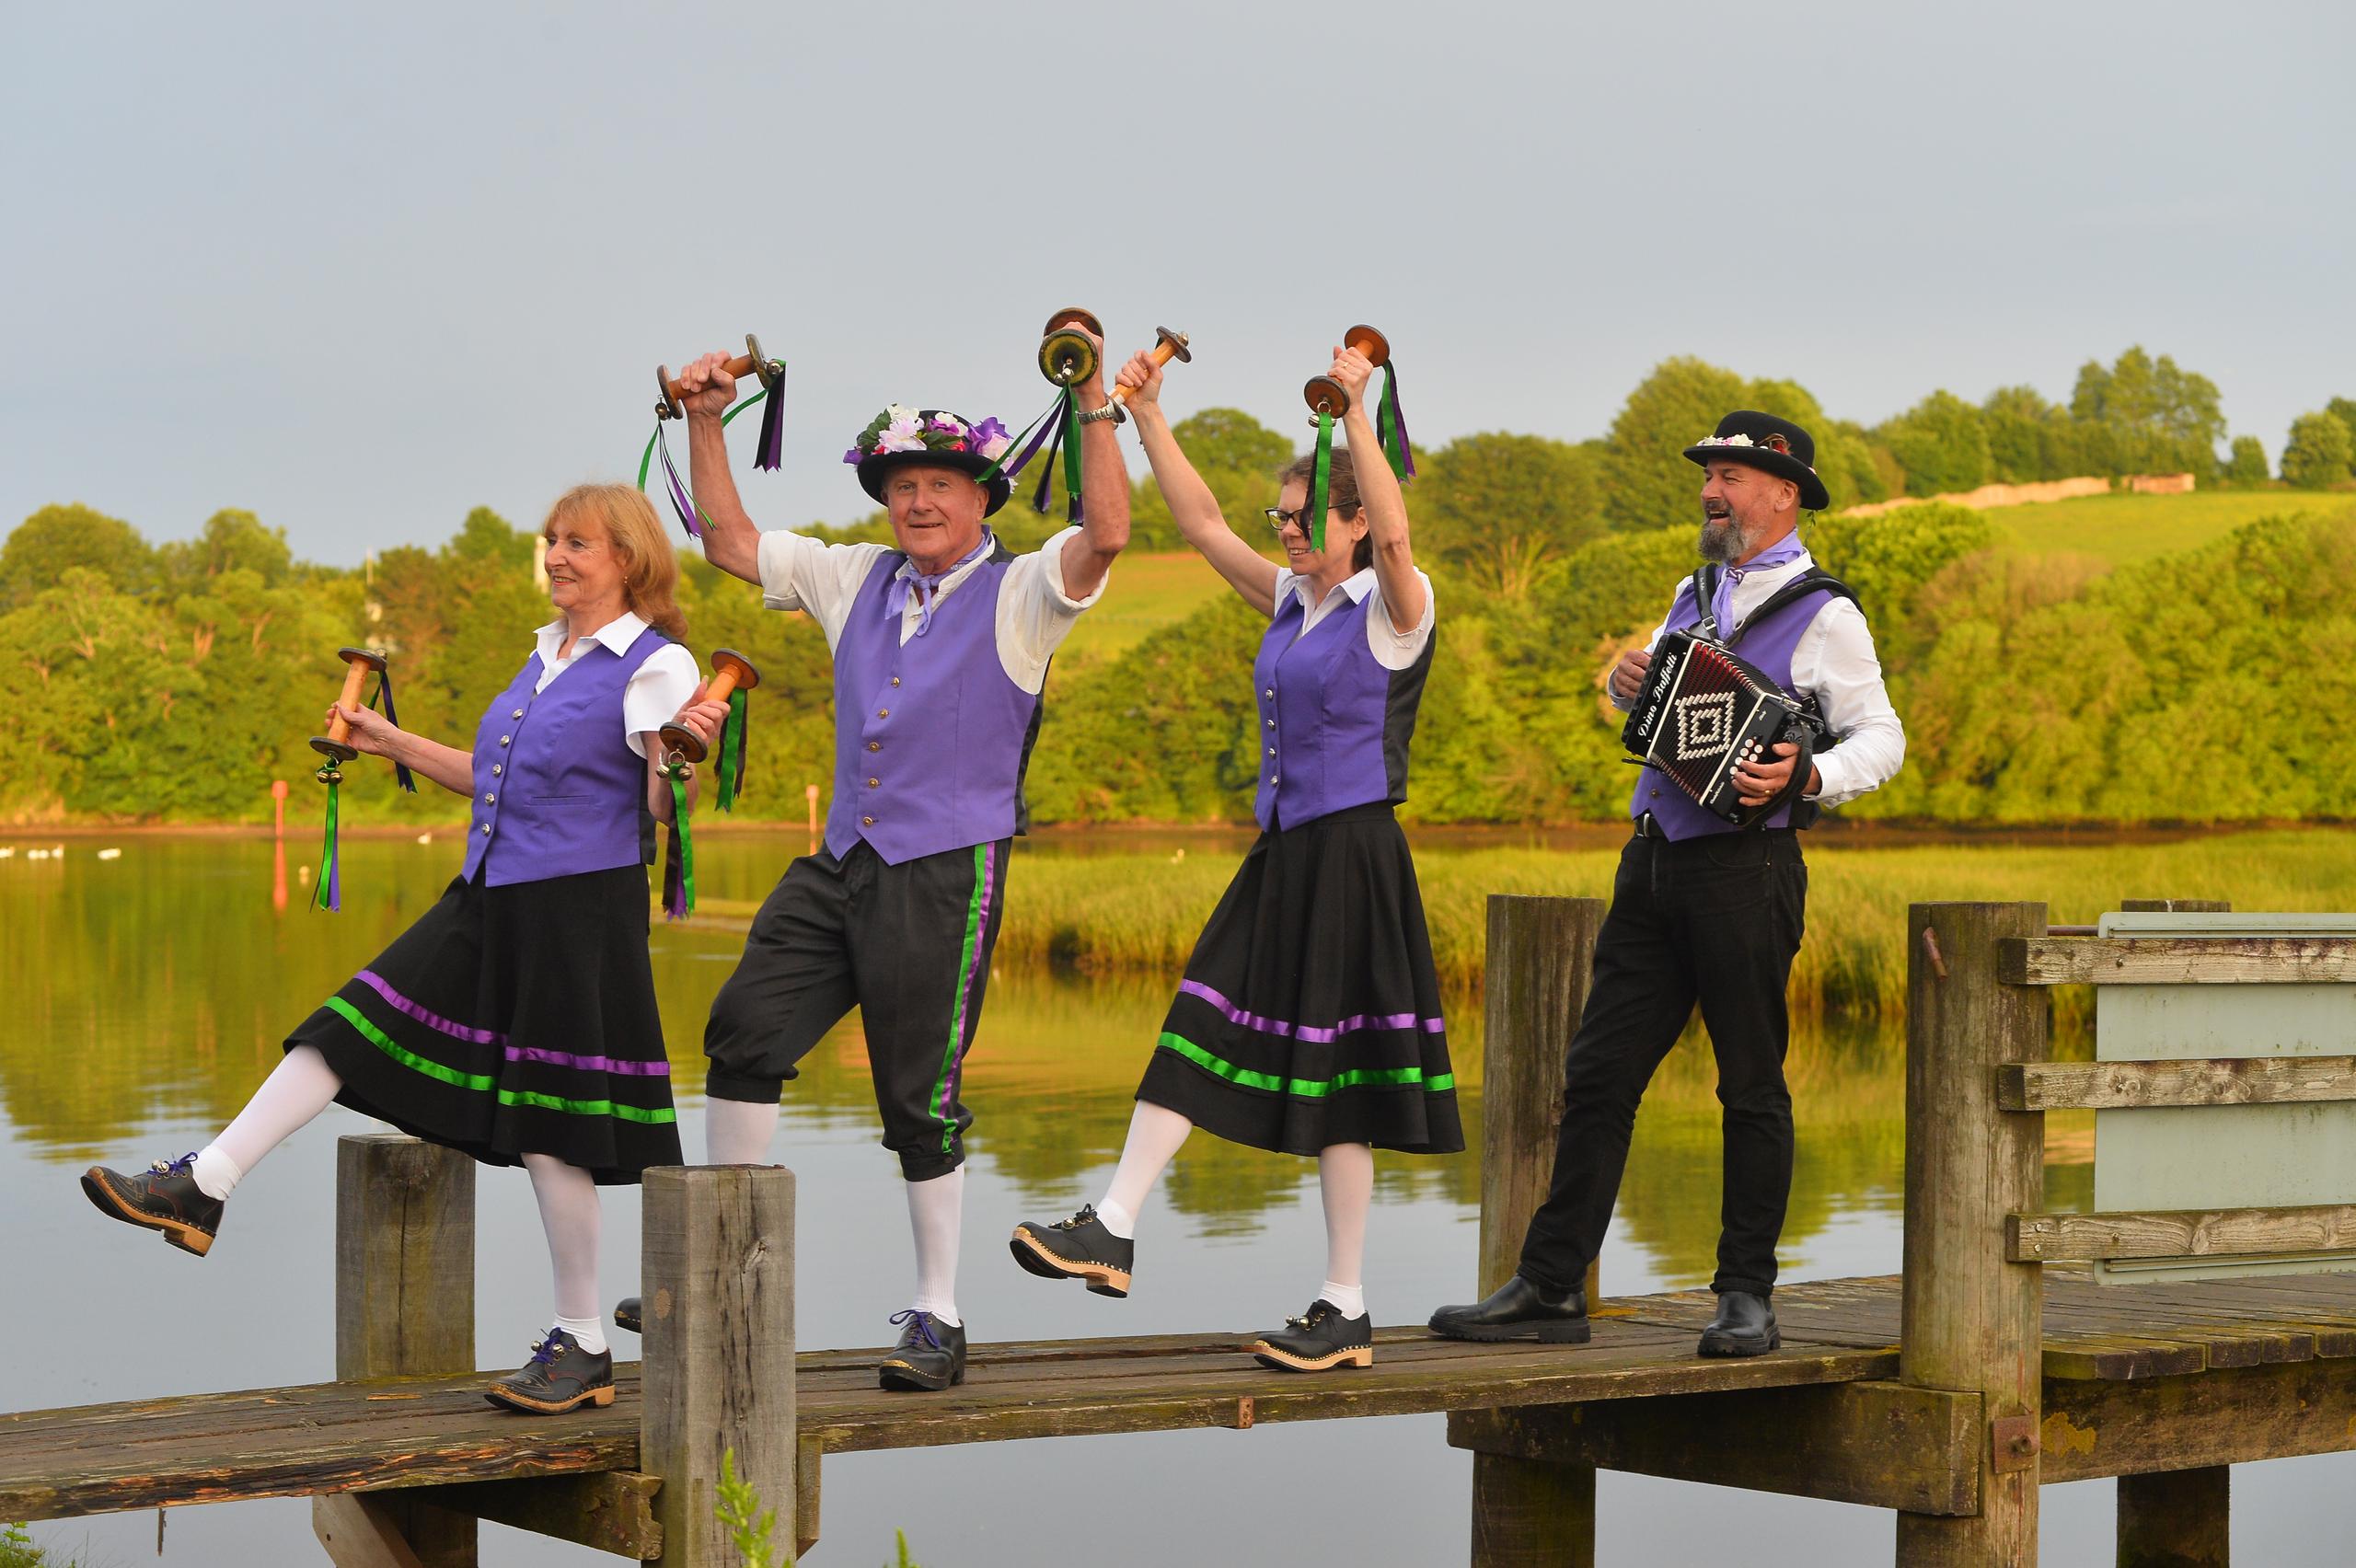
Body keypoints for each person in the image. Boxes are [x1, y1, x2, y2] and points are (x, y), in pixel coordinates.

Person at [82, 485, 719, 1413]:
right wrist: (389, 741)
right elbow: (492, 776)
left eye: (578, 543)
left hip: (578, 907)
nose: (556, 556)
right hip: (493, 891)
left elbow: (661, 807)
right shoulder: (544, 655)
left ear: (629, 557)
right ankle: (204, 1184)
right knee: (350, 1025)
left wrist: (683, 757)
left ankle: (581, 1341)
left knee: (554, 1130)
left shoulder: (657, 667)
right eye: (551, 541)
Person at [611, 333, 1130, 1392]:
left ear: (982, 497)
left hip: (946, 871)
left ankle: (939, 1315)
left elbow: (1109, 530)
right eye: (902, 486)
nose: (919, 502)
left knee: (916, 1098)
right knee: (743, 1031)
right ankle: (716, 1267)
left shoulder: (1026, 591)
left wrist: (1091, 405)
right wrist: (708, 418)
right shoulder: (855, 577)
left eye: (940, 484)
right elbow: (726, 539)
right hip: (840, 861)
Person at [1008, 341, 1456, 1375]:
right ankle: (1114, 1226)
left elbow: (1392, 531)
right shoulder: (1291, 602)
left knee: (1345, 1086)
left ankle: (1341, 1303)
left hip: (1353, 857)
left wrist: (1353, 413)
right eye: (1283, 520)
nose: (1288, 533)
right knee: (1199, 1012)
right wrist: (1149, 416)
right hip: (1286, 852)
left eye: (1306, 520)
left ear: (1347, 523)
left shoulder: (1396, 611)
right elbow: (1203, 524)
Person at [1428, 410, 1906, 1357]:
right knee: (1597, 1077)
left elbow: (1882, 739)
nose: (1710, 491)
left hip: (1746, 867)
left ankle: (1745, 1297)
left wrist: (1807, 777)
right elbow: (1648, 699)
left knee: (1750, 1087)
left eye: (1728, 477)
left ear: (1782, 493)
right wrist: (1619, 680)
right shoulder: (1689, 592)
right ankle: (1553, 1288)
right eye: (1707, 476)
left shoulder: (1827, 615)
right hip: (1652, 861)